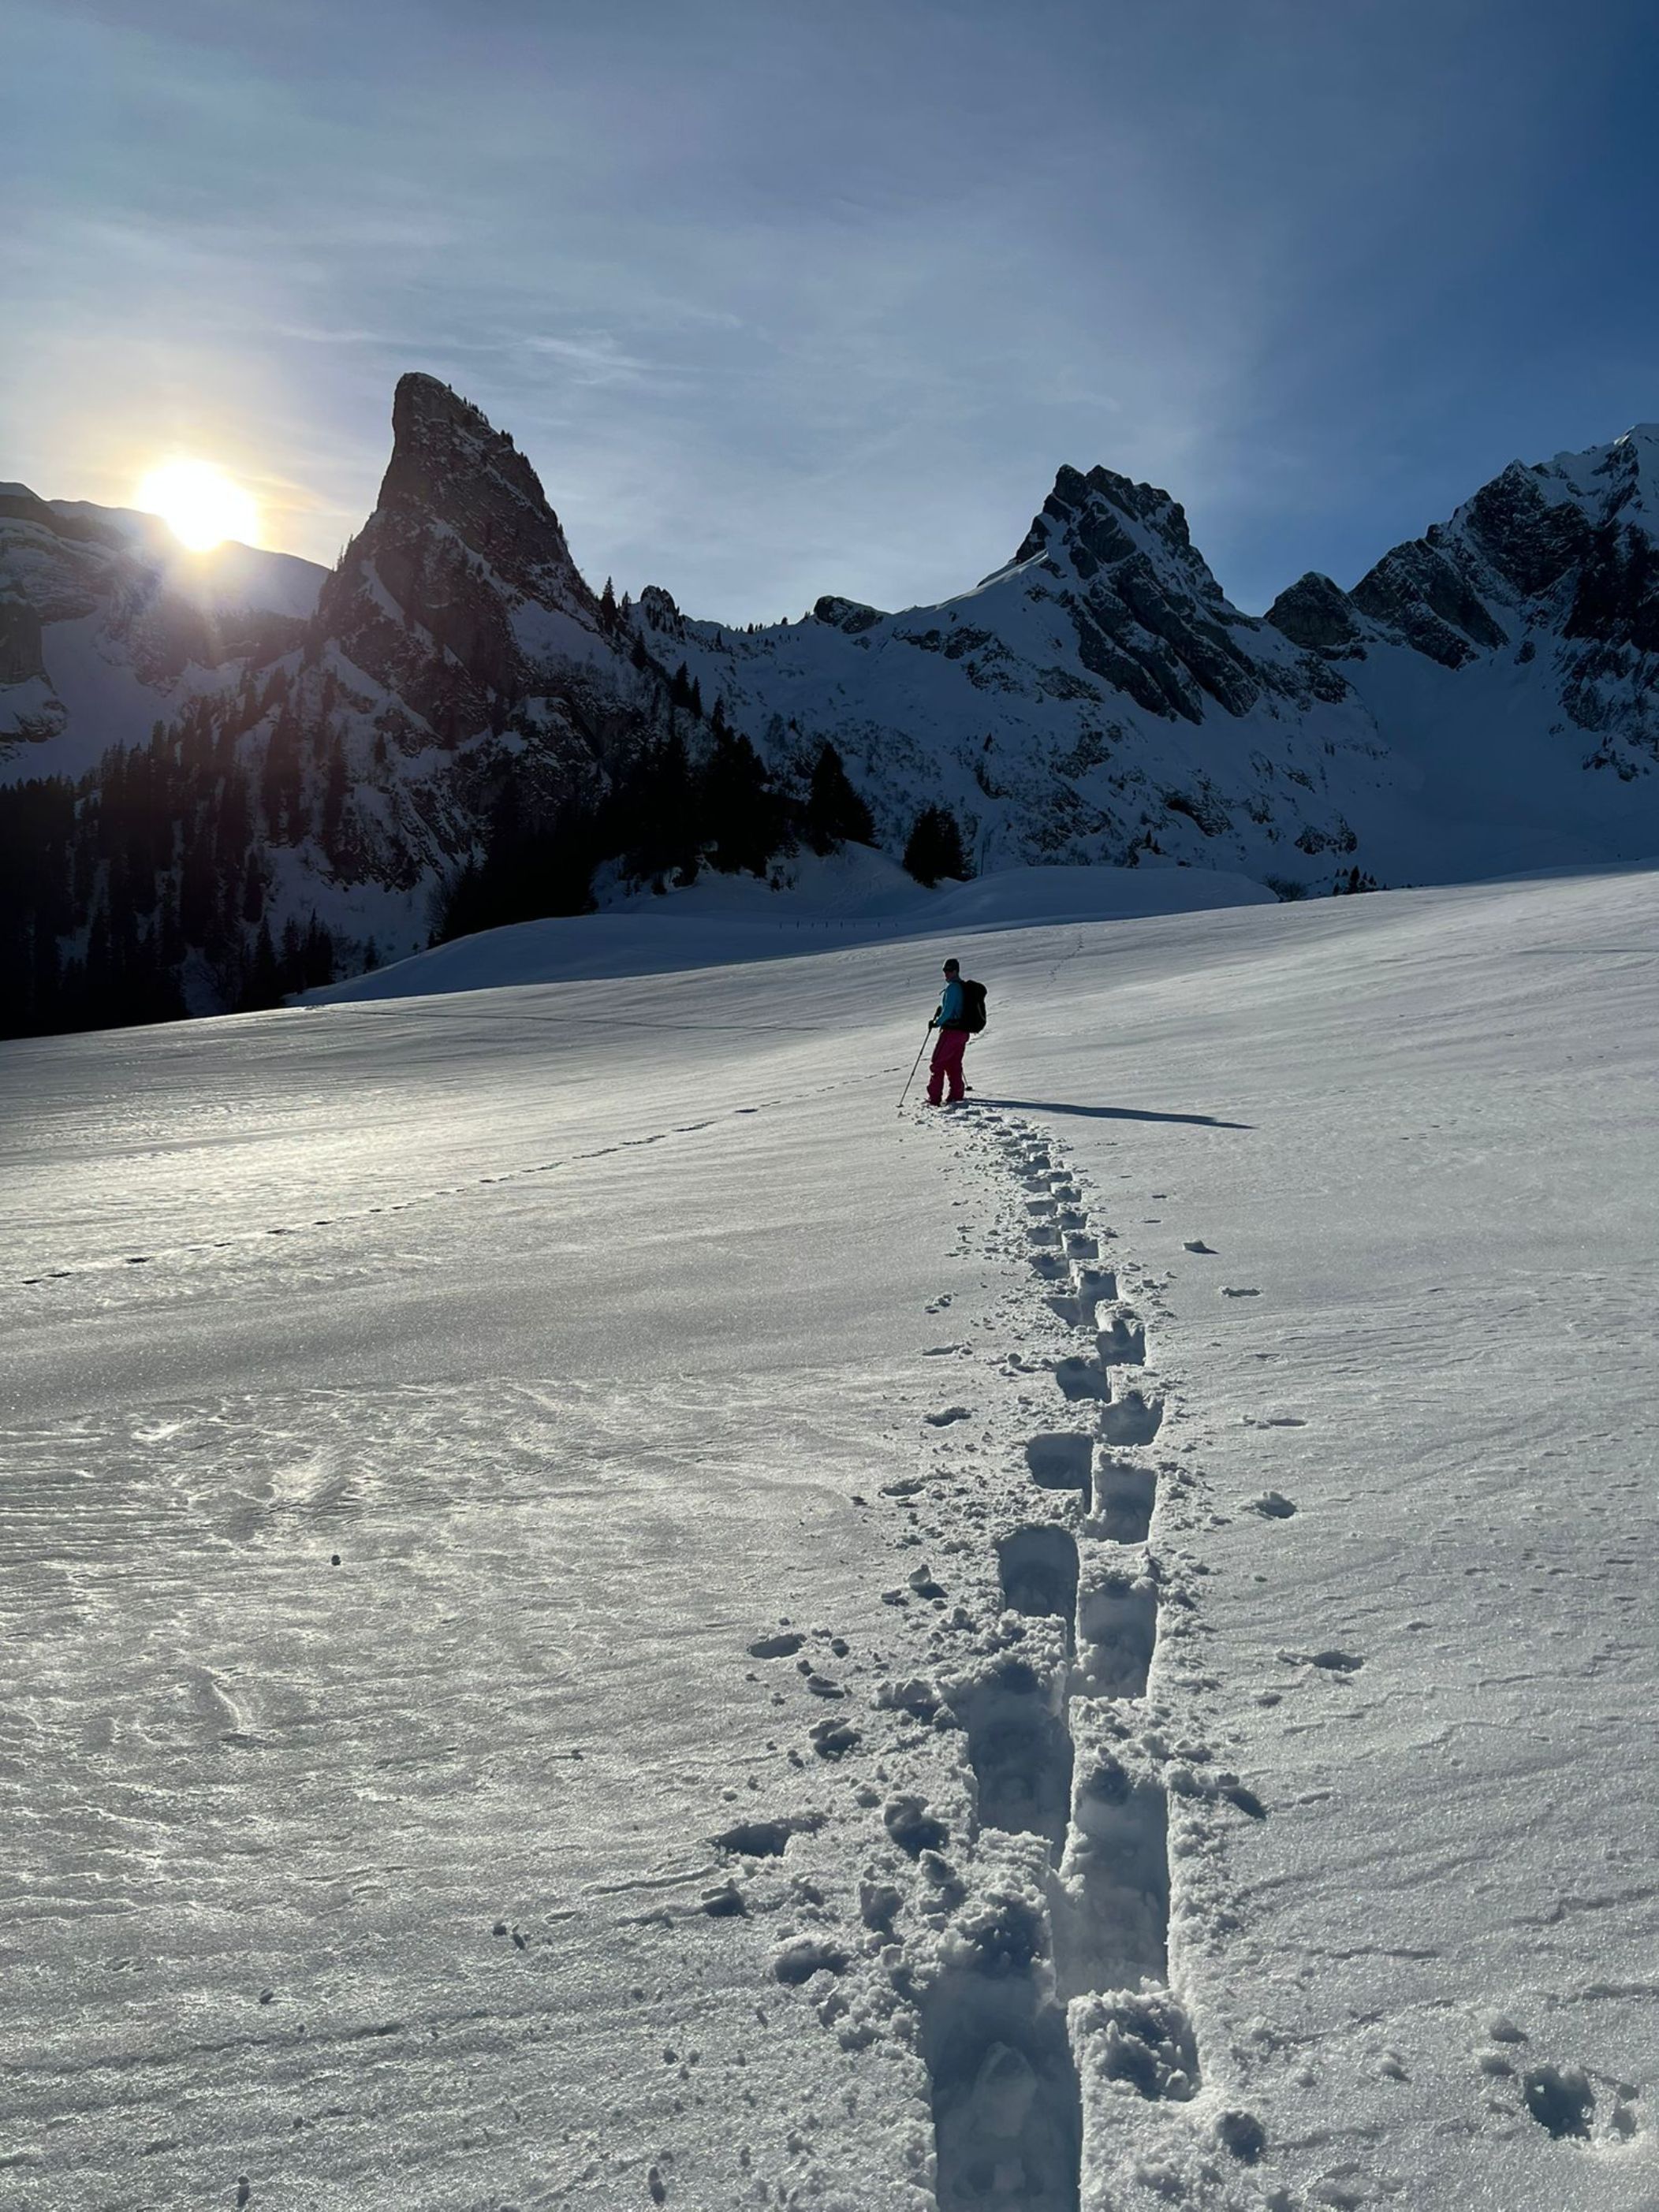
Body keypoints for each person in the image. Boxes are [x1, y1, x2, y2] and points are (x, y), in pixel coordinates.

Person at [926, 957, 971, 1106]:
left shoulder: (952, 988)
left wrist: (936, 1023)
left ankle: (934, 1099)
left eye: (949, 970)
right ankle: (956, 1096)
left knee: (937, 1064)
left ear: (956, 971)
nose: (946, 973)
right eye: (945, 970)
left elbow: (948, 1012)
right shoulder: (962, 987)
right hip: (963, 1032)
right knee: (954, 1063)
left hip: (951, 1032)